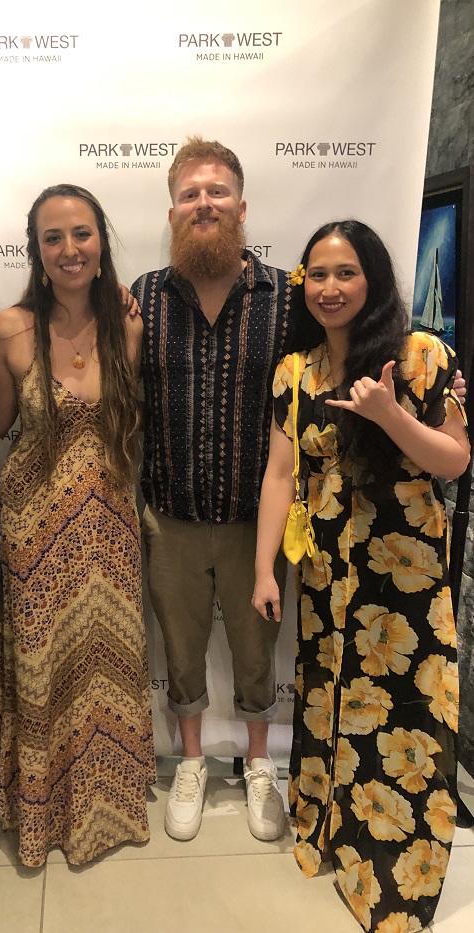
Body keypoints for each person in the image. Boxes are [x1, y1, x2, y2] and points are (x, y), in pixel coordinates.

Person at [252, 220, 469, 932]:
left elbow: (454, 460)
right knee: (332, 701)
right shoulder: (296, 370)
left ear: (372, 277)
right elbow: (280, 473)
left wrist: (389, 414)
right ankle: (331, 832)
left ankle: (395, 874)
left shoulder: (421, 355)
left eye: (346, 272)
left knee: (405, 715)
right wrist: (264, 570)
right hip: (326, 575)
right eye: (317, 274)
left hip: (405, 579)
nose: (330, 287)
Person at [0, 183, 155, 867]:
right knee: (42, 664)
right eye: (52, 237)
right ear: (36, 250)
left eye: (81, 233)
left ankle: (106, 804)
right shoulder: (7, 329)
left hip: (110, 526)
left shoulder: (129, 325)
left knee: (107, 661)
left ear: (101, 241)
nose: (69, 249)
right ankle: (40, 812)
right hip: (34, 526)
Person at [131, 137, 291, 844]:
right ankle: (192, 760)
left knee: (258, 647)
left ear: (241, 207)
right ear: (172, 213)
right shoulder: (141, 297)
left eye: (217, 191)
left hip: (260, 518)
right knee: (180, 644)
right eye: (190, 194)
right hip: (170, 515)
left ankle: (258, 763)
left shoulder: (287, 296)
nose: (204, 203)